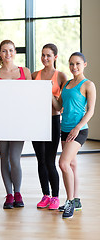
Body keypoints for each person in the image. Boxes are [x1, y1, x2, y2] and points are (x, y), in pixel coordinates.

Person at [52, 52, 96, 218]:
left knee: (63, 163)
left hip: (79, 130)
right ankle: (76, 200)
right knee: (71, 165)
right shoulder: (67, 84)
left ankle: (70, 201)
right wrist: (49, 92)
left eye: (77, 63)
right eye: (71, 64)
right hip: (65, 129)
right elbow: (58, 107)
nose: (74, 67)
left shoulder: (88, 85)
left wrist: (77, 128)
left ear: (84, 64)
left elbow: (90, 111)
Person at [0, 40, 32, 209]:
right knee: (3, 158)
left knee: (15, 158)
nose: (8, 54)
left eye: (11, 50)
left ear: (15, 52)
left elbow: (31, 98)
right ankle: (9, 195)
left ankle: (18, 192)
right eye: (4, 51)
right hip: (0, 122)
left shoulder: (24, 72)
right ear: (0, 53)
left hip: (19, 122)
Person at [32, 43, 67, 210]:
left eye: (48, 55)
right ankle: (45, 195)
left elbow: (61, 106)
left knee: (50, 160)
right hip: (36, 121)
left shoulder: (60, 76)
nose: (45, 58)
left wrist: (48, 92)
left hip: (53, 121)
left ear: (55, 57)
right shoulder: (34, 75)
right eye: (43, 55)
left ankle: (55, 197)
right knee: (40, 160)